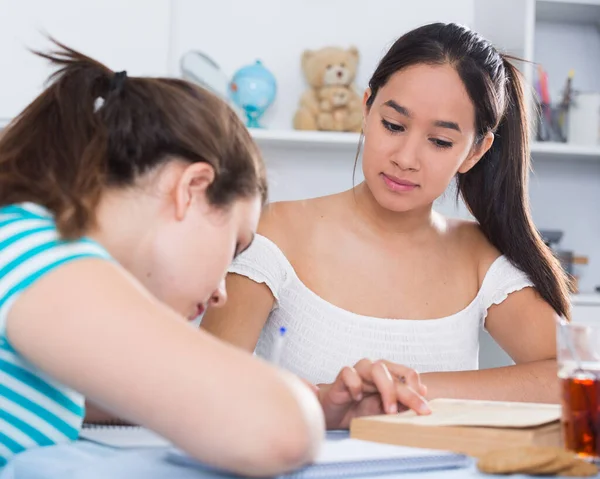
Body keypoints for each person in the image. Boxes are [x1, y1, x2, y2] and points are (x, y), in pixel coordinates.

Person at [201, 22, 570, 414]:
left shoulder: (479, 257)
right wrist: (328, 405)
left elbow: (574, 379)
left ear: (475, 152)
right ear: (366, 108)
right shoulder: (273, 232)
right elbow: (203, 387)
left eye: (440, 142)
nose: (405, 159)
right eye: (393, 125)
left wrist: (405, 389)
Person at [0, 41, 327, 476]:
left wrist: (323, 404)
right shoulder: (38, 254)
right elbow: (281, 430)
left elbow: (95, 393)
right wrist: (291, 401)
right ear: (191, 188)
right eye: (234, 247)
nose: (221, 294)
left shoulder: (20, 240)